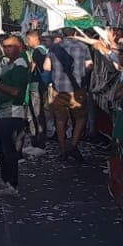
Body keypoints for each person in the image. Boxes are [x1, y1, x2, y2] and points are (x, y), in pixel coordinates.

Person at [0, 34, 31, 197]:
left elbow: (15, 91)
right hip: (3, 111)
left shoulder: (20, 64)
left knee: (8, 149)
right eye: (5, 46)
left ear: (20, 47)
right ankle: (5, 180)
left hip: (13, 112)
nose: (7, 49)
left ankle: (12, 183)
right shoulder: (9, 64)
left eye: (11, 46)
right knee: (1, 148)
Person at [44, 29, 92, 162]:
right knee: (81, 118)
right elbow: (89, 66)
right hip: (77, 90)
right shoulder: (83, 47)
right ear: (76, 33)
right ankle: (73, 144)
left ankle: (63, 149)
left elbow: (46, 67)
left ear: (63, 34)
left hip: (58, 90)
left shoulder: (54, 48)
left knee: (60, 120)